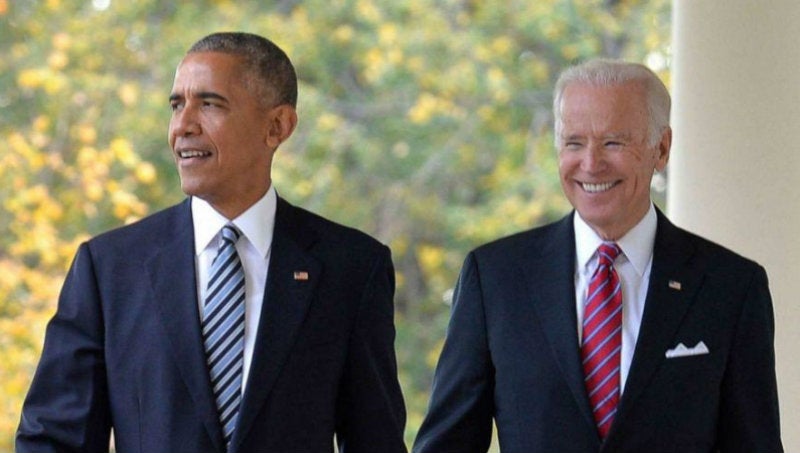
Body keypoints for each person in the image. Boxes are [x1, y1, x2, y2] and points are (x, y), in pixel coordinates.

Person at [17, 32, 407, 453]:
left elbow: (376, 441)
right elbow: (53, 441)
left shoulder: (351, 268)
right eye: (176, 105)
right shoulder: (109, 268)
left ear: (277, 126)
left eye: (209, 104)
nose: (183, 126)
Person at [412, 59, 782, 452]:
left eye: (613, 142)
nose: (590, 164)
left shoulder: (731, 287)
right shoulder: (495, 280)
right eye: (574, 142)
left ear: (661, 148)